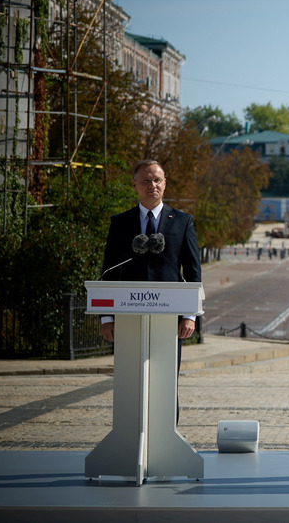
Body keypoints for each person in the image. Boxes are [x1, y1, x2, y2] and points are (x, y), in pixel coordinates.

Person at [100, 160, 201, 419]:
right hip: (128, 319)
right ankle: (131, 431)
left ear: (165, 184)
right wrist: (107, 317)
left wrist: (190, 315)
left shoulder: (182, 221)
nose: (152, 185)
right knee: (131, 380)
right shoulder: (121, 223)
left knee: (166, 381)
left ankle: (169, 432)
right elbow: (108, 271)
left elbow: (192, 272)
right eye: (145, 180)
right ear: (134, 185)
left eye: (157, 180)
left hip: (169, 321)